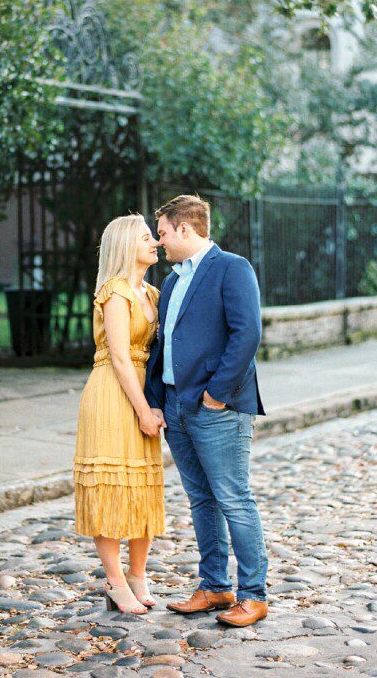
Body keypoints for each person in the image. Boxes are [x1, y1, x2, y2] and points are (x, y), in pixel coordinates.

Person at [145, 194, 269, 627]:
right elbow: (162, 345)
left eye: (162, 233)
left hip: (217, 407)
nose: (159, 242)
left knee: (234, 499)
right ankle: (215, 586)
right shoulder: (175, 281)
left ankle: (253, 594)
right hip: (177, 406)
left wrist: (218, 393)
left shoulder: (232, 268)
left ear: (185, 229)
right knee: (201, 500)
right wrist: (157, 399)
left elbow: (247, 333)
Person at [73, 214, 167, 614]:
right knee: (111, 487)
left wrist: (157, 401)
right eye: (147, 237)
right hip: (113, 392)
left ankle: (138, 575)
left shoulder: (153, 293)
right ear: (126, 245)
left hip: (143, 391)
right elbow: (120, 358)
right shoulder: (114, 292)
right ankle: (114, 581)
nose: (156, 243)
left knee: (144, 488)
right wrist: (144, 409)